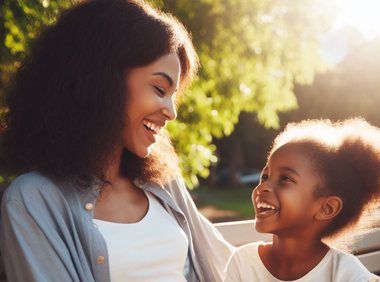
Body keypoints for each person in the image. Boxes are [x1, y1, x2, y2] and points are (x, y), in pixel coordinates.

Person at [0, 0, 234, 281]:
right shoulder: (33, 199)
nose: (171, 112)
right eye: (160, 88)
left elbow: (227, 264)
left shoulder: (164, 183)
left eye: (174, 95)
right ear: (102, 81)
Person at [225, 118, 380, 282]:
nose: (262, 187)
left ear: (325, 208)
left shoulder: (347, 275)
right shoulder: (242, 262)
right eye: (265, 176)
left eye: (285, 179)